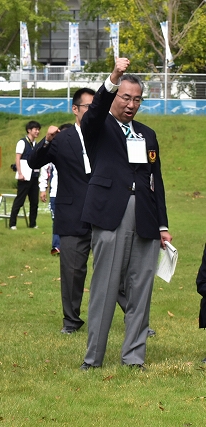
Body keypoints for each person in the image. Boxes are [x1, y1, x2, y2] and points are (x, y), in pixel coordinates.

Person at [78, 58, 171, 370]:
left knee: (141, 288)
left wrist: (163, 224)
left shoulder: (147, 134)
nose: (131, 104)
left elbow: (155, 180)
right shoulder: (98, 126)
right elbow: (92, 114)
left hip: (145, 215)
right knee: (104, 288)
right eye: (125, 97)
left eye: (137, 99)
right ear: (116, 95)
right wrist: (113, 77)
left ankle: (133, 357)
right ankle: (93, 359)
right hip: (109, 213)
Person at [29, 90, 95, 334]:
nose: (92, 111)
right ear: (75, 109)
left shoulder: (104, 135)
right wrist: (47, 140)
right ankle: (71, 320)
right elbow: (34, 162)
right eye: (87, 106)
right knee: (72, 272)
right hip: (72, 214)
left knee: (115, 268)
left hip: (103, 212)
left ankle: (134, 317)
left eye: (95, 106)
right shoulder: (62, 139)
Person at [9, 121, 41, 230]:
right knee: (20, 200)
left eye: (38, 129)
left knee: (34, 202)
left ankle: (33, 223)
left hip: (34, 176)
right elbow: (17, 158)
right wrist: (20, 173)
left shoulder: (36, 144)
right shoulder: (22, 142)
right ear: (29, 130)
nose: (37, 131)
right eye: (35, 129)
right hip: (24, 176)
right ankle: (12, 223)